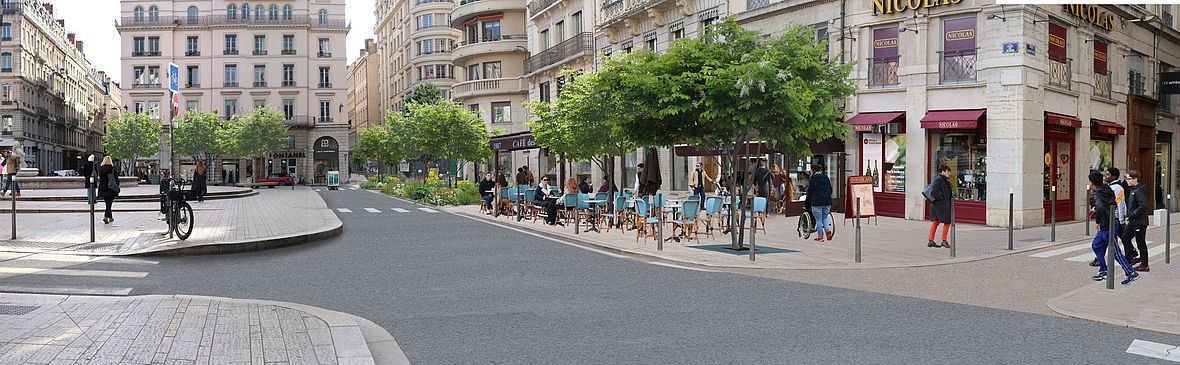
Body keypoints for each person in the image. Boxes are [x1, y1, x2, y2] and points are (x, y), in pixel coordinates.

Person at [1089, 171, 1139, 285]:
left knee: (1115, 252)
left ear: (1092, 182)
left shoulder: (1097, 193)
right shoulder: (1107, 188)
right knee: (1096, 245)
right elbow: (1114, 204)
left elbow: (1101, 207)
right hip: (1110, 222)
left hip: (1108, 225)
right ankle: (1104, 270)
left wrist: (1098, 221)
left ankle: (1131, 273)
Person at [1093, 167, 1127, 267]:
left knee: (1115, 247)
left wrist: (1121, 220)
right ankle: (1102, 267)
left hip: (1112, 218)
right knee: (1097, 244)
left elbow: (1119, 204)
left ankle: (1130, 270)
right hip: (1107, 219)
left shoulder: (1116, 188)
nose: (1105, 176)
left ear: (1113, 176)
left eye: (1107, 174)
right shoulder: (1107, 187)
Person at [1124, 170, 1151, 272]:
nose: (1127, 181)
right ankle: (1130, 258)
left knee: (1141, 243)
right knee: (1125, 237)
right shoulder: (1133, 189)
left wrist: (1133, 214)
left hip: (1139, 222)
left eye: (1129, 179)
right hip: (1133, 221)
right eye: (1126, 179)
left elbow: (1143, 206)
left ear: (1135, 179)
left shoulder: (1138, 191)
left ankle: (1145, 264)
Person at [927, 165, 953, 248]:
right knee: (947, 221)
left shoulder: (942, 179)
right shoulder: (940, 179)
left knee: (936, 221)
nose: (949, 173)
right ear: (943, 171)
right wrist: (942, 199)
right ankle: (944, 240)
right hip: (941, 205)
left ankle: (931, 240)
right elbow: (933, 192)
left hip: (937, 205)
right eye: (948, 171)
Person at [806, 163, 833, 242]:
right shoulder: (826, 177)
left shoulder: (813, 178)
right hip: (827, 202)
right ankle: (828, 230)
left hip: (817, 202)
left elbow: (810, 191)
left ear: (813, 171)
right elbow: (830, 189)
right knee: (824, 218)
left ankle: (820, 237)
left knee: (818, 220)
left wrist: (808, 200)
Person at [97, 156, 119, 224]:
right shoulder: (112, 169)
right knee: (109, 204)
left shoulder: (101, 169)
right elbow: (116, 180)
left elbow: (100, 180)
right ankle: (106, 216)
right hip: (111, 188)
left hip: (103, 188)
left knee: (107, 203)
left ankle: (110, 217)